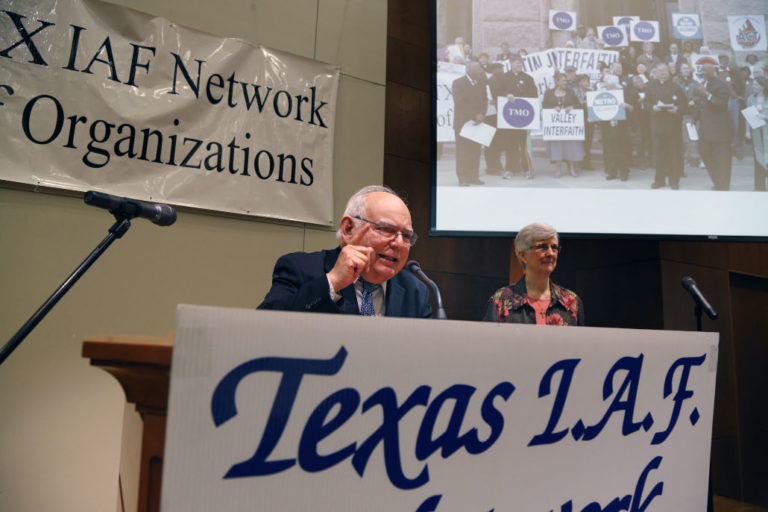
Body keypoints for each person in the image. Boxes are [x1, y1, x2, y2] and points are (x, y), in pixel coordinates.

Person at [258, 185, 432, 317]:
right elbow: (262, 329)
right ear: (349, 229)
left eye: (407, 236)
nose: (399, 243)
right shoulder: (301, 268)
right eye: (386, 229)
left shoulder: (415, 291)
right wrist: (332, 282)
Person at [482, 223, 584, 326]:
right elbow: (487, 341)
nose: (551, 253)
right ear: (523, 255)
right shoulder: (501, 300)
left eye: (554, 247)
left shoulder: (572, 301)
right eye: (543, 247)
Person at [487, 54, 537, 179]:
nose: (519, 65)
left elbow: (534, 95)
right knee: (510, 144)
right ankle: (511, 169)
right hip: (509, 117)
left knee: (524, 144)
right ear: (511, 63)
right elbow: (496, 93)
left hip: (524, 117)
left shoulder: (528, 78)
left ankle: (527, 168)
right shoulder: (503, 78)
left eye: (521, 63)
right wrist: (506, 95)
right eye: (517, 63)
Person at [645, 63, 686, 189]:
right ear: (656, 73)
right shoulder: (650, 86)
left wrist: (677, 109)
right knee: (658, 154)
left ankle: (674, 180)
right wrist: (652, 107)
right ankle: (659, 180)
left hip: (672, 125)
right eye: (660, 71)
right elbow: (646, 102)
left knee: (673, 153)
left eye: (664, 71)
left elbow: (683, 104)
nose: (662, 73)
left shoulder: (676, 87)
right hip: (657, 125)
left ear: (669, 73)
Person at [696, 62, 732, 191]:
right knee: (704, 152)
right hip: (706, 129)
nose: (703, 73)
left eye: (706, 71)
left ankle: (723, 185)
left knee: (722, 158)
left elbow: (722, 104)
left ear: (713, 71)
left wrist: (707, 93)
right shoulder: (705, 83)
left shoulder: (721, 85)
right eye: (702, 71)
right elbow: (702, 105)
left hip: (720, 129)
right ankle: (717, 181)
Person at [452, 62, 488, 186]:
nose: (480, 72)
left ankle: (474, 176)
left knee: (475, 150)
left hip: (477, 123)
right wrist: (474, 115)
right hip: (463, 123)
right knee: (463, 151)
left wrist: (482, 114)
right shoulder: (458, 83)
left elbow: (484, 101)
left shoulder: (481, 83)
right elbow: (460, 103)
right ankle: (463, 178)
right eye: (478, 69)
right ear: (470, 70)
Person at [542, 72, 583, 177]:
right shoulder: (549, 93)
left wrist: (572, 107)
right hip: (556, 127)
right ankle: (558, 169)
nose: (566, 82)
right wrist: (553, 109)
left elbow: (579, 104)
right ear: (557, 81)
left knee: (572, 147)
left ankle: (572, 169)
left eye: (566, 80)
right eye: (563, 80)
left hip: (569, 126)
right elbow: (544, 106)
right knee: (557, 147)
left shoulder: (570, 92)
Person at [600, 74, 634, 181]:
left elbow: (633, 108)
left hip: (621, 126)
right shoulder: (602, 93)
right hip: (607, 125)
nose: (605, 85)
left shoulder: (624, 92)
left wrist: (627, 106)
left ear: (612, 84)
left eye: (606, 83)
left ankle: (624, 172)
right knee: (610, 149)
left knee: (622, 149)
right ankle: (612, 171)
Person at [745, 76, 768, 191]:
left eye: (756, 85)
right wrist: (747, 131)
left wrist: (764, 117)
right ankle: (759, 186)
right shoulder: (750, 99)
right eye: (753, 85)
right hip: (756, 134)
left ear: (763, 87)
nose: (753, 87)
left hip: (766, 133)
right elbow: (748, 116)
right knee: (758, 158)